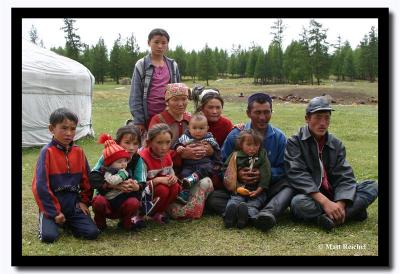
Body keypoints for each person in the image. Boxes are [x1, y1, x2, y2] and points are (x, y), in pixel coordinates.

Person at [285, 96, 378, 231]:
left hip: (335, 194)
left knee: (372, 186)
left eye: (327, 118)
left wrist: (340, 203)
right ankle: (351, 212)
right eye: (318, 117)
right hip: (313, 197)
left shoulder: (336, 144)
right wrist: (325, 202)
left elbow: (345, 176)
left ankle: (331, 217)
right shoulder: (295, 142)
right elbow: (297, 174)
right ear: (307, 118)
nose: (323, 123)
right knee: (298, 203)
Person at [207, 92, 295, 232]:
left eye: (266, 112)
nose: (262, 117)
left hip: (266, 189)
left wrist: (264, 174)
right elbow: (221, 164)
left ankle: (265, 213)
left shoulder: (279, 138)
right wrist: (237, 174)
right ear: (248, 113)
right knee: (212, 198)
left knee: (289, 186)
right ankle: (251, 213)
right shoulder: (235, 135)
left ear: (272, 112)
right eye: (257, 112)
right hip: (238, 190)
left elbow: (285, 168)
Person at [32, 108, 99, 243]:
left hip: (73, 204)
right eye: (64, 128)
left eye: (73, 129)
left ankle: (67, 222)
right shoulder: (47, 152)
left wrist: (84, 201)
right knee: (49, 237)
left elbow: (86, 181)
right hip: (53, 203)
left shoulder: (79, 152)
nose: (69, 133)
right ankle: (53, 219)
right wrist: (54, 212)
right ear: (52, 128)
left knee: (92, 233)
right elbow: (40, 186)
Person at [149, 83, 214, 220]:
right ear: (167, 101)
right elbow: (153, 151)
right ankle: (185, 209)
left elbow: (208, 138)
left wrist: (208, 150)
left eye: (184, 99)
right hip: (168, 173)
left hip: (192, 170)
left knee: (205, 182)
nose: (180, 103)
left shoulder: (191, 119)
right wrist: (180, 154)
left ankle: (187, 208)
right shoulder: (158, 120)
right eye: (175, 99)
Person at [90, 126, 147, 231]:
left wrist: (136, 186)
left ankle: (126, 222)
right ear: (117, 142)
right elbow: (93, 176)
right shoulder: (107, 155)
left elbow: (142, 182)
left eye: (135, 144)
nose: (131, 148)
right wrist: (111, 185)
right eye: (127, 142)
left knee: (133, 202)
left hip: (124, 201)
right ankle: (100, 223)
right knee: (98, 201)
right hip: (106, 200)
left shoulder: (137, 160)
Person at [129, 28, 180, 139]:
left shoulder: (172, 65)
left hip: (169, 115)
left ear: (167, 44)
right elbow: (135, 94)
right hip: (147, 117)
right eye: (156, 42)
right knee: (148, 147)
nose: (160, 46)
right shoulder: (141, 65)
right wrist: (139, 120)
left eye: (163, 43)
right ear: (149, 43)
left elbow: (178, 92)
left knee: (167, 145)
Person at [223, 129, 271, 229]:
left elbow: (266, 172)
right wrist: (235, 183)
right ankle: (229, 216)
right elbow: (226, 170)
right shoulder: (236, 155)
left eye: (256, 145)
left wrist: (260, 189)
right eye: (249, 145)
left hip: (256, 190)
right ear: (241, 144)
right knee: (234, 200)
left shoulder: (262, 155)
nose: (252, 148)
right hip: (239, 189)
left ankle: (246, 217)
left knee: (254, 204)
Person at [173, 112, 222, 204]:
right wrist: (179, 147)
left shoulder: (209, 139)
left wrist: (217, 162)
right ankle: (185, 193)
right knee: (184, 174)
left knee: (208, 168)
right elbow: (177, 144)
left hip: (204, 164)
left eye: (201, 128)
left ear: (207, 128)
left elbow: (217, 150)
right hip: (189, 165)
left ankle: (195, 177)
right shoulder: (186, 137)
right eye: (194, 128)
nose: (198, 131)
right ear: (189, 128)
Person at [192, 86, 233, 190]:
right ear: (202, 108)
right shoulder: (193, 122)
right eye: (210, 107)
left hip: (217, 167)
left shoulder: (226, 124)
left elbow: (228, 153)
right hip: (192, 165)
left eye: (218, 107)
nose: (215, 111)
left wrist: (213, 152)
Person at [139, 123, 181, 224]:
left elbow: (170, 172)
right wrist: (157, 180)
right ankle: (145, 213)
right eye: (159, 142)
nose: (164, 147)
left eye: (168, 142)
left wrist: (173, 177)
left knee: (175, 186)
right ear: (149, 142)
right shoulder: (142, 158)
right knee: (163, 190)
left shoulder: (166, 155)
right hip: (144, 194)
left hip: (160, 187)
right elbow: (139, 183)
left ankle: (160, 212)